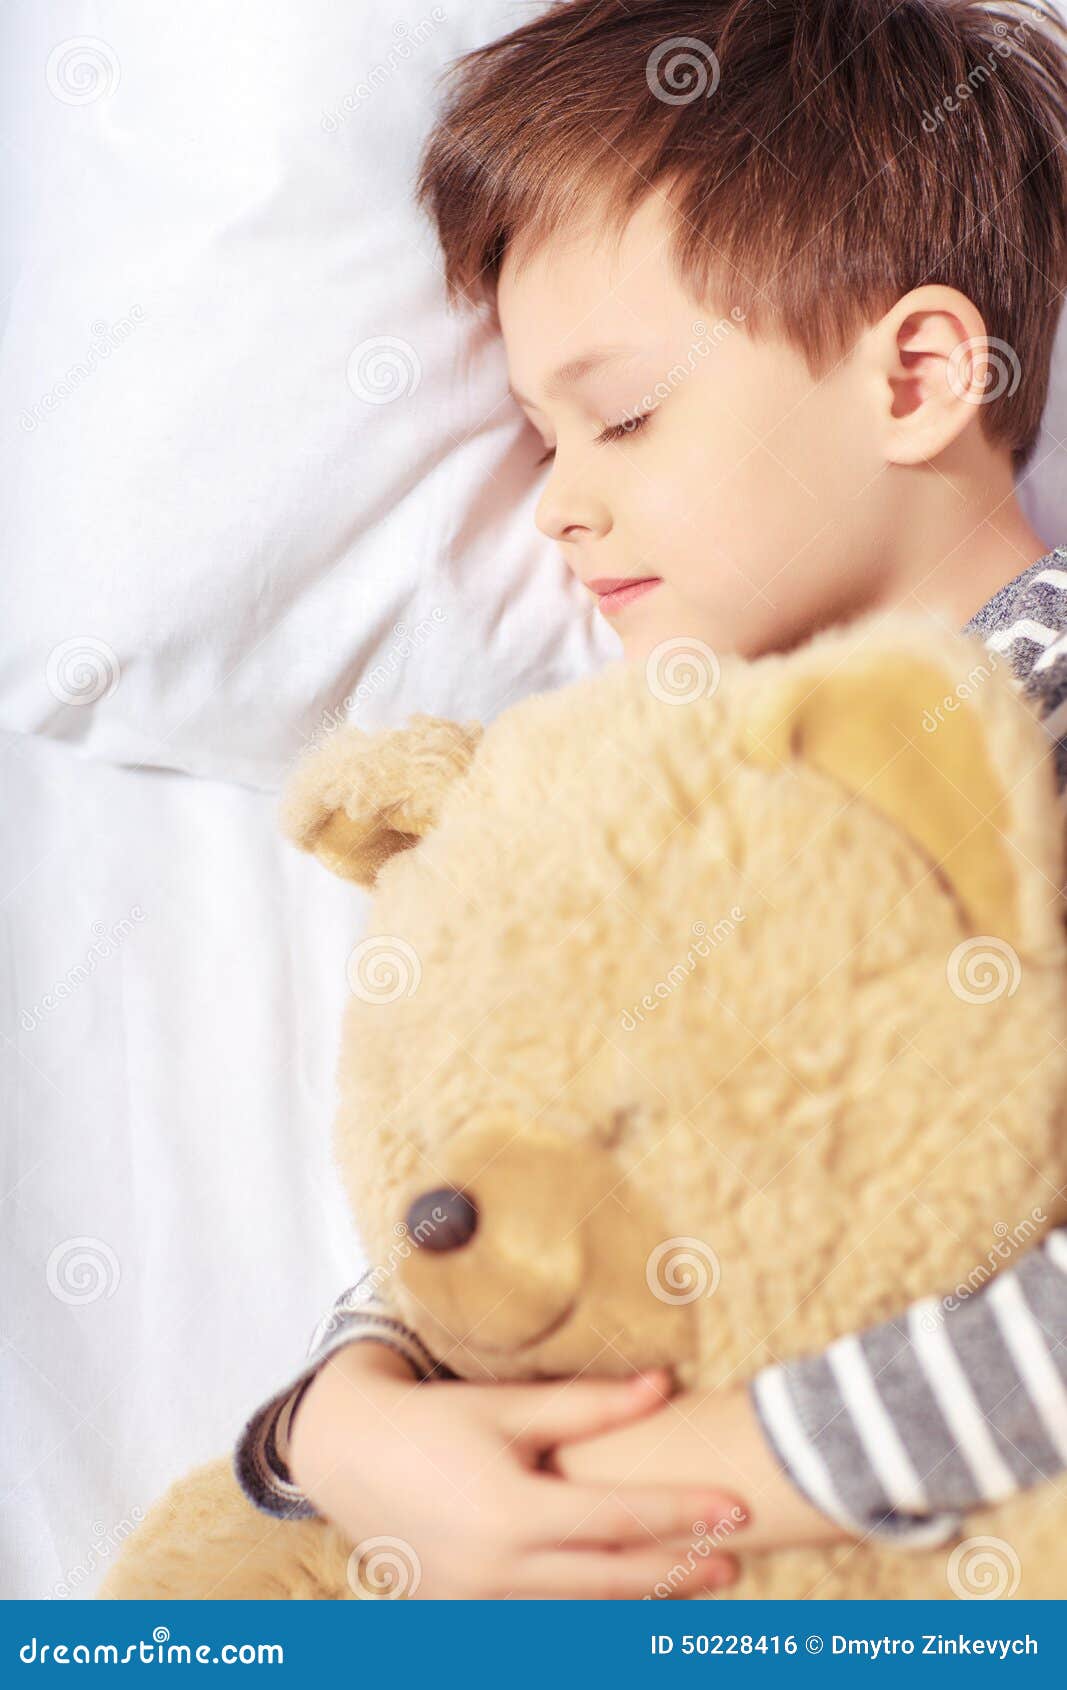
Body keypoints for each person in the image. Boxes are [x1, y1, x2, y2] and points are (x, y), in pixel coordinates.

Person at [235, 0, 1067, 1598]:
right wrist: (343, 1418)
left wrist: (647, 1485)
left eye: (621, 415)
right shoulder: (635, 797)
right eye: (539, 437)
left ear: (917, 376)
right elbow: (511, 1162)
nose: (558, 502)